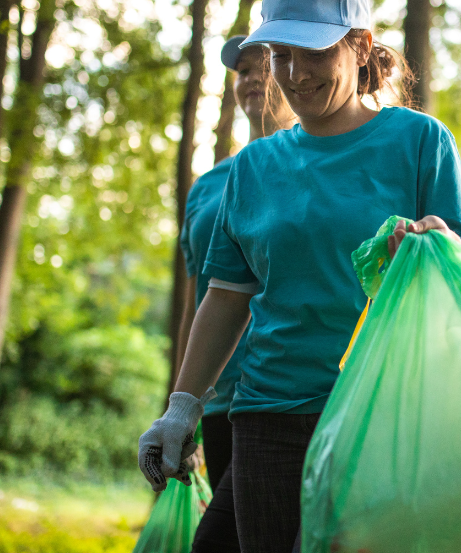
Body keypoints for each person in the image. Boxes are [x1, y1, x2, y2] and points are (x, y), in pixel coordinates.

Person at [138, 0, 461, 551]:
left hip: (380, 413)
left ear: (358, 44)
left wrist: (436, 244)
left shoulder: (420, 142)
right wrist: (180, 410)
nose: (296, 73)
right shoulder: (254, 167)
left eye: (315, 52)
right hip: (266, 418)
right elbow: (226, 295)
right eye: (281, 54)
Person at [176, 35, 295, 553]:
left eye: (263, 66)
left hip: (286, 395)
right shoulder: (209, 185)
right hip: (221, 397)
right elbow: (201, 295)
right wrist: (180, 404)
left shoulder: (310, 164)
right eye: (241, 70)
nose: (250, 78)